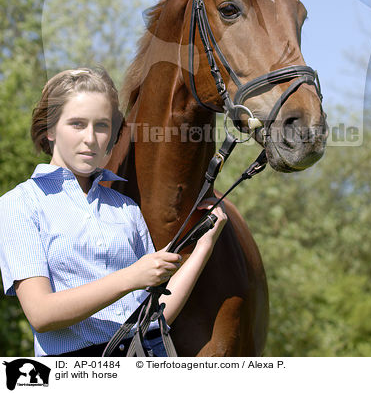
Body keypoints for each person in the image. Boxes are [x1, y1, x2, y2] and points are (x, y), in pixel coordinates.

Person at [0, 67, 226, 357]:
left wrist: (204, 245)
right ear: (50, 129)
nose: (91, 139)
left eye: (102, 126)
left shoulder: (124, 207)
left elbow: (156, 316)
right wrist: (132, 276)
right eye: (77, 124)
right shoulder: (20, 204)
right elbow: (41, 314)